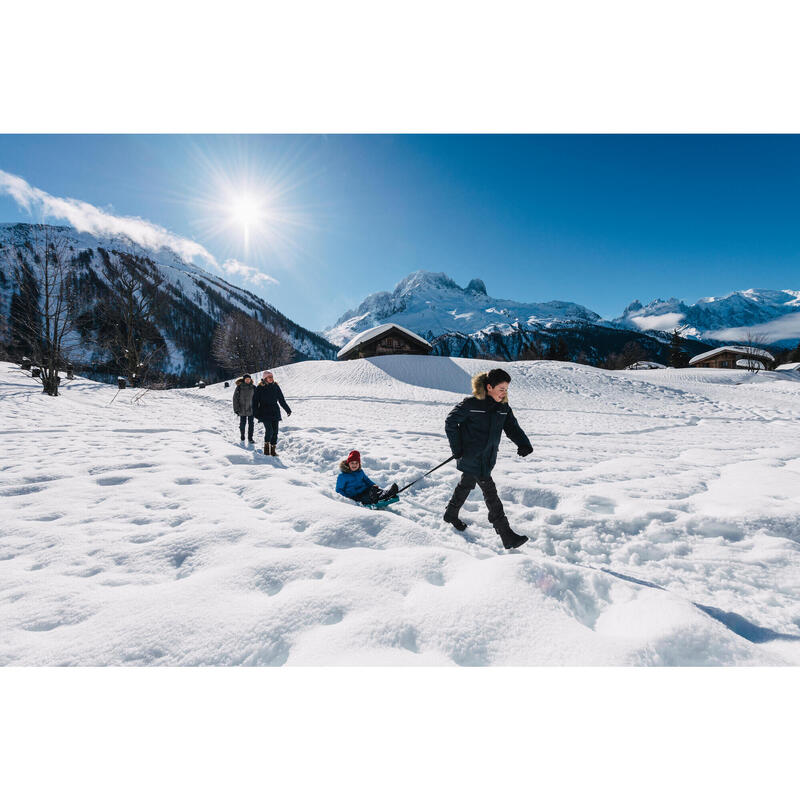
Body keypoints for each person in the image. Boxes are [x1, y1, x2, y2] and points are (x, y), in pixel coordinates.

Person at [444, 368, 533, 549]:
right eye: (501, 389)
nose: (504, 393)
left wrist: (524, 444)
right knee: (491, 494)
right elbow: (451, 422)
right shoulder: (472, 404)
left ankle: (450, 514)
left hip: (488, 457)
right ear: (489, 387)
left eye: (506, 389)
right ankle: (506, 535)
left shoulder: (503, 408)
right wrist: (458, 448)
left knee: (466, 484)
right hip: (472, 457)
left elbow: (512, 428)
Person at [253, 370, 292, 456]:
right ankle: (267, 448)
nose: (271, 379)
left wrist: (287, 410)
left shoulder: (276, 386)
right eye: (269, 377)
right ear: (265, 378)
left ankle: (273, 450)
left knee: (275, 431)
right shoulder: (260, 387)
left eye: (272, 377)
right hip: (264, 411)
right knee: (269, 430)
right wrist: (256, 413)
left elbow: (281, 399)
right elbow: (255, 401)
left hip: (275, 411)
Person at [232, 374, 255, 443]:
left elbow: (258, 397)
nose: (248, 380)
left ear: (250, 380)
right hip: (242, 409)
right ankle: (242, 435)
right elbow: (235, 399)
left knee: (251, 424)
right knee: (243, 423)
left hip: (251, 409)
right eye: (246, 379)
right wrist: (236, 409)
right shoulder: (239, 387)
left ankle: (250, 438)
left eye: (249, 379)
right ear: (244, 380)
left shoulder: (253, 387)